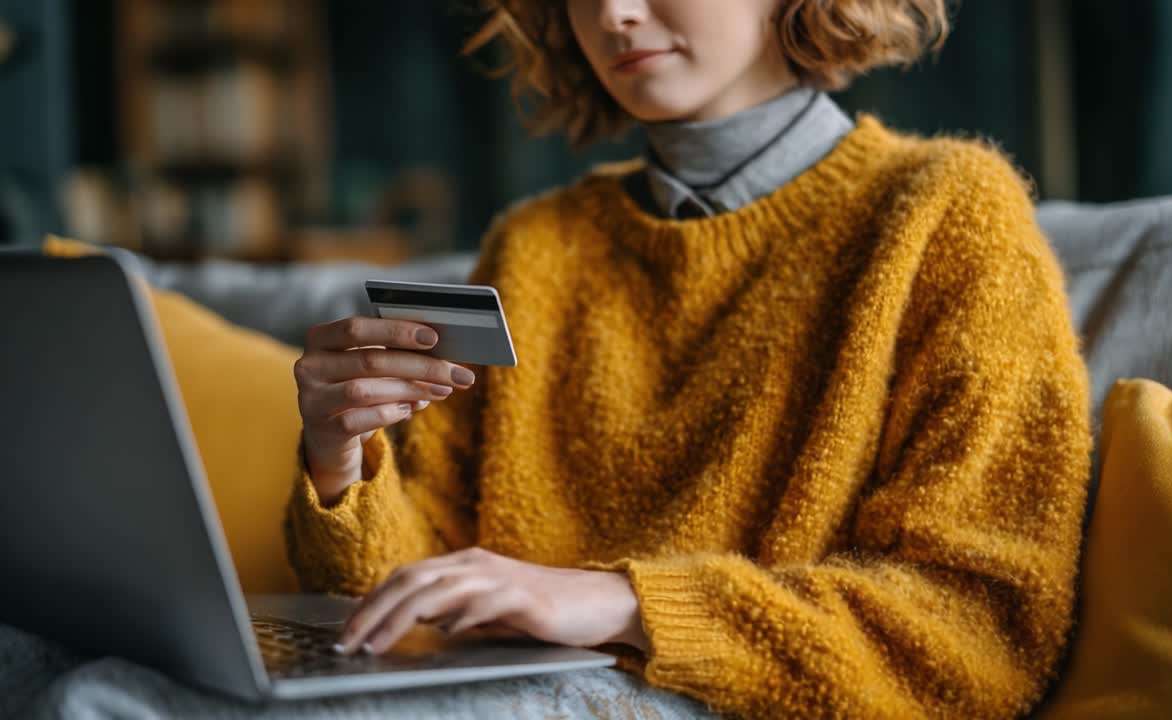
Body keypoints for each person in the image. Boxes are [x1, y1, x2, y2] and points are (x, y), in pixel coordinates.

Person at [285, 0, 1093, 716]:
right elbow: (396, 599)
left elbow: (982, 632)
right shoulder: (534, 247)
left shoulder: (948, 213)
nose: (612, 14)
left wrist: (626, 603)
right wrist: (339, 460)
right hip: (490, 688)